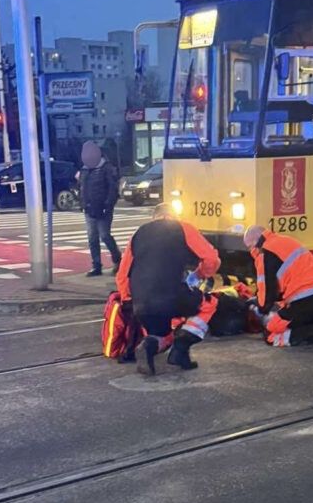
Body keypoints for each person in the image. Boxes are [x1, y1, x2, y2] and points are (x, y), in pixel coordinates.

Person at [117, 203, 221, 375]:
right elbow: (211, 258)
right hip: (171, 295)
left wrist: (128, 300)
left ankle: (148, 346)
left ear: (154, 217)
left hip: (141, 303)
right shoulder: (182, 228)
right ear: (172, 215)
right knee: (209, 304)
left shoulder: (138, 234)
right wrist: (199, 275)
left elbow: (122, 274)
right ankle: (181, 348)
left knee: (163, 335)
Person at [243, 226, 313, 349]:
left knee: (272, 331)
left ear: (254, 242)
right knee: (298, 319)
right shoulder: (286, 240)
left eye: (249, 246)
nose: (250, 251)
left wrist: (258, 306)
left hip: (304, 301)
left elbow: (266, 300)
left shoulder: (264, 253)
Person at [79, 141, 121, 277]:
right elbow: (83, 188)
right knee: (92, 238)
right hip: (89, 208)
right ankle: (96, 265)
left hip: (103, 208)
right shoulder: (85, 169)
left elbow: (112, 188)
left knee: (104, 235)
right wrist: (83, 204)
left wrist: (108, 205)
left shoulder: (106, 168)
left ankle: (117, 259)